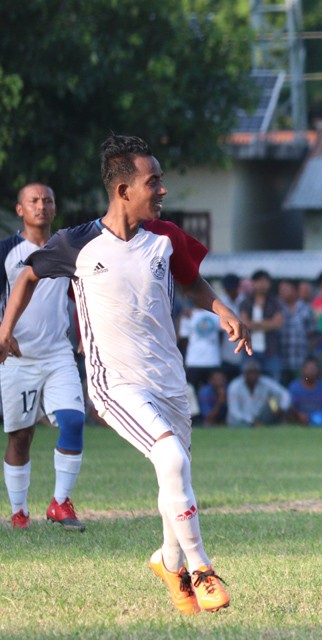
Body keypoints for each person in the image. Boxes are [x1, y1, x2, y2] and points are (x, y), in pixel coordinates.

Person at [0, 135, 250, 614]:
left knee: (173, 476)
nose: (163, 190)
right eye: (153, 181)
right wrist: (5, 329)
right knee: (172, 460)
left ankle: (167, 560)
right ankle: (202, 569)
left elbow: (191, 280)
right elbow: (29, 274)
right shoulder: (77, 242)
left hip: (169, 381)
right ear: (123, 190)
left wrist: (223, 310)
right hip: (115, 385)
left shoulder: (165, 238)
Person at [1, 183, 87, 531]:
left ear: (54, 208)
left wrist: (84, 331)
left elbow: (82, 292)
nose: (41, 205)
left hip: (57, 355)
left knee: (74, 421)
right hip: (16, 359)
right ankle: (19, 512)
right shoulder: (7, 251)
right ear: (20, 210)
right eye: (33, 201)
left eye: (47, 200)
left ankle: (60, 503)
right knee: (20, 437)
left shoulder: (66, 248)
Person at [239, 270, 283, 381]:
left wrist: (254, 324)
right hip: (250, 351)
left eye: (265, 282)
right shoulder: (246, 302)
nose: (262, 285)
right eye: (259, 281)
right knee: (248, 382)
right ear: (253, 283)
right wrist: (268, 323)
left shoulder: (275, 302)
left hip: (270, 351)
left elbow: (278, 324)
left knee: (274, 383)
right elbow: (244, 324)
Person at [226, 359, 291, 426]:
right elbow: (234, 411)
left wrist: (282, 408)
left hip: (260, 420)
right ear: (244, 373)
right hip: (240, 422)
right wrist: (251, 421)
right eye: (250, 372)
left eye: (255, 372)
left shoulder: (265, 383)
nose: (253, 375)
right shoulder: (235, 386)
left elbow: (284, 394)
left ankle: (281, 421)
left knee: (273, 399)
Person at [278, 278, 316, 384]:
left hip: (301, 360)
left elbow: (313, 335)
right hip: (282, 360)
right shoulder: (278, 308)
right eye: (280, 290)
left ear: (294, 291)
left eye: (285, 289)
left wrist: (310, 357)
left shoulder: (306, 308)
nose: (281, 292)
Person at [287, 357, 322, 426]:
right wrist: (298, 415)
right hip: (300, 422)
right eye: (309, 368)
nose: (311, 371)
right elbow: (291, 407)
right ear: (303, 370)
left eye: (314, 369)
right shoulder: (295, 387)